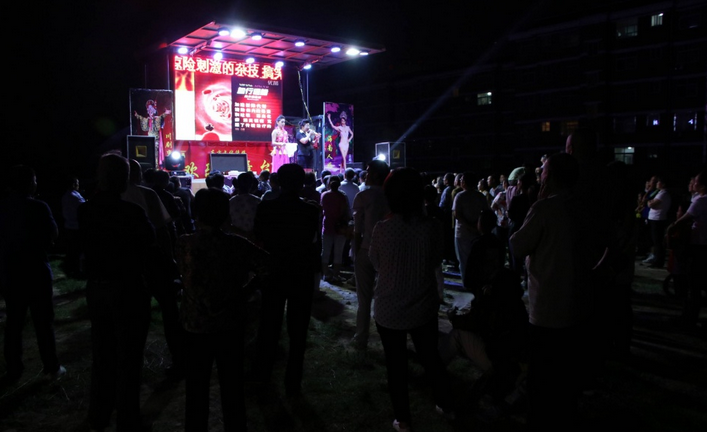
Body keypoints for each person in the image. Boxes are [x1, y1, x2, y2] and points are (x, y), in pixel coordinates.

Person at [509, 152, 594, 430]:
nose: (540, 175)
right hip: (577, 302)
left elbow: (518, 245)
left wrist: (536, 205)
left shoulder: (545, 208)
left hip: (547, 305)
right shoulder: (582, 207)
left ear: (551, 176)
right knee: (567, 372)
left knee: (543, 374)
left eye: (543, 170)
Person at [177, 187, 270, 432]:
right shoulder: (236, 244)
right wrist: (246, 291)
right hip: (230, 321)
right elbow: (268, 267)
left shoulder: (184, 243)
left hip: (195, 324)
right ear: (225, 214)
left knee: (196, 387)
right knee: (232, 385)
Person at [369, 167, 454, 432]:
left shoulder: (382, 229)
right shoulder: (433, 227)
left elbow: (376, 263)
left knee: (396, 365)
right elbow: (436, 261)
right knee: (430, 357)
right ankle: (445, 403)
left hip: (389, 308)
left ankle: (403, 419)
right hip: (423, 305)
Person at [78, 153, 156, 431]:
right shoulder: (132, 213)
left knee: (102, 352)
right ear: (123, 180)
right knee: (129, 356)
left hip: (98, 288)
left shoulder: (85, 210)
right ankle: (127, 416)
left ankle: (99, 413)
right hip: (128, 289)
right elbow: (150, 248)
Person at [252, 164, 320, 396]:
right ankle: (293, 381)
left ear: (278, 182)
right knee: (298, 331)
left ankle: (262, 376)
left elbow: (258, 238)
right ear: (302, 184)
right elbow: (313, 243)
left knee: (269, 326)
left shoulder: (266, 208)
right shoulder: (311, 210)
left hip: (274, 271)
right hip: (301, 272)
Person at [0, 165, 65, 384]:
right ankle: (51, 366)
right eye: (35, 180)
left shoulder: (3, 207)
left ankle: (13, 368)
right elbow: (53, 233)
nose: (36, 184)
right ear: (29, 183)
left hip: (11, 272)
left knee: (14, 322)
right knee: (43, 322)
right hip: (36, 270)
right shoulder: (38, 207)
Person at [351, 160, 390, 349]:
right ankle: (388, 336)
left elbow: (357, 230)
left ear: (374, 174)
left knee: (364, 298)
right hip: (387, 251)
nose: (365, 174)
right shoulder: (391, 196)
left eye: (368, 171)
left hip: (366, 249)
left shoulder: (363, 196)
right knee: (388, 295)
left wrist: (356, 251)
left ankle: (361, 337)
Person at [668, 169, 707, 329]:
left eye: (696, 181)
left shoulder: (701, 201)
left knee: (693, 285)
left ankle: (689, 319)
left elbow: (682, 221)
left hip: (698, 247)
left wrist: (671, 230)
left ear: (703, 185)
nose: (693, 183)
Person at [320, 176, 350, 283]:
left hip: (327, 225)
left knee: (325, 251)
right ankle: (336, 275)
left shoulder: (324, 195)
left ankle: (325, 274)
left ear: (329, 184)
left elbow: (322, 209)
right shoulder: (342, 196)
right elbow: (345, 211)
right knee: (338, 252)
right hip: (340, 227)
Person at [133, 99, 171, 168]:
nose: (150, 111)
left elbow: (162, 116)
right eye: (149, 110)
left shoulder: (157, 118)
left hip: (156, 139)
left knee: (156, 154)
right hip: (149, 139)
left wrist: (165, 113)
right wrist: (137, 115)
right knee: (149, 153)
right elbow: (141, 118)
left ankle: (156, 167)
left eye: (151, 110)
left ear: (154, 110)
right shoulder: (147, 119)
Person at [61, 176, 86, 277]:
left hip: (68, 225)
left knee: (71, 249)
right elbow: (83, 206)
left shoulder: (66, 196)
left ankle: (70, 267)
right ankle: (76, 269)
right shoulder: (75, 196)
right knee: (77, 249)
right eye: (77, 183)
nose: (78, 186)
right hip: (76, 226)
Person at [228, 172, 260, 241]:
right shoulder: (257, 201)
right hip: (254, 238)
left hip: (236, 239)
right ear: (251, 185)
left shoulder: (231, 202)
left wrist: (243, 234)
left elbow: (228, 224)